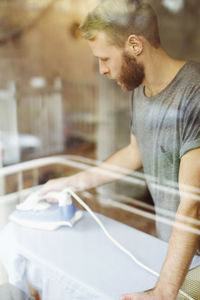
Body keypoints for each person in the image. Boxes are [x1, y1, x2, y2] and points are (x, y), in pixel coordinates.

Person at [39, 0, 200, 299]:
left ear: (135, 45)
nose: (101, 70)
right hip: (172, 246)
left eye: (105, 58)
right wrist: (73, 182)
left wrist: (163, 293)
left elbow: (192, 205)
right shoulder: (140, 89)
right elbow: (135, 151)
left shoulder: (195, 95)